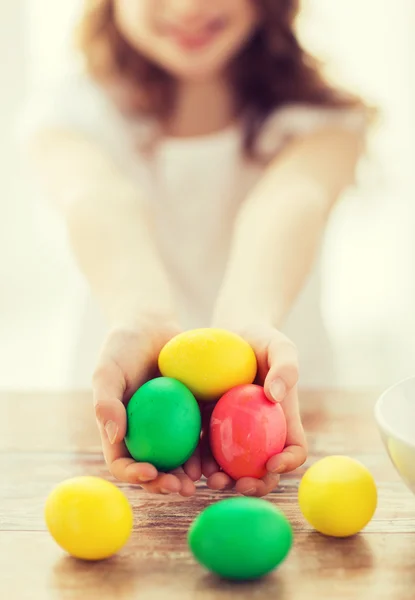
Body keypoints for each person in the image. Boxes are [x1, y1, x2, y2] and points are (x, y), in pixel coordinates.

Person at [20, 0, 369, 498]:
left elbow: (288, 203)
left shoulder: (324, 118)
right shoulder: (71, 112)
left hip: (281, 407)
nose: (186, 7)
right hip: (119, 409)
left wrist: (244, 329)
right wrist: (141, 316)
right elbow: (99, 202)